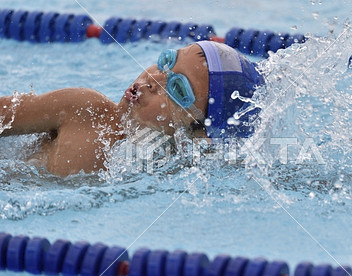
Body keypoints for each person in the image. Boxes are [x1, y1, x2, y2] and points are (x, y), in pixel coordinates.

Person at [0, 41, 264, 176]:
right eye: (165, 63)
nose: (153, 80)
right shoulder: (86, 111)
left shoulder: (172, 170)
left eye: (177, 89)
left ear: (199, 133)